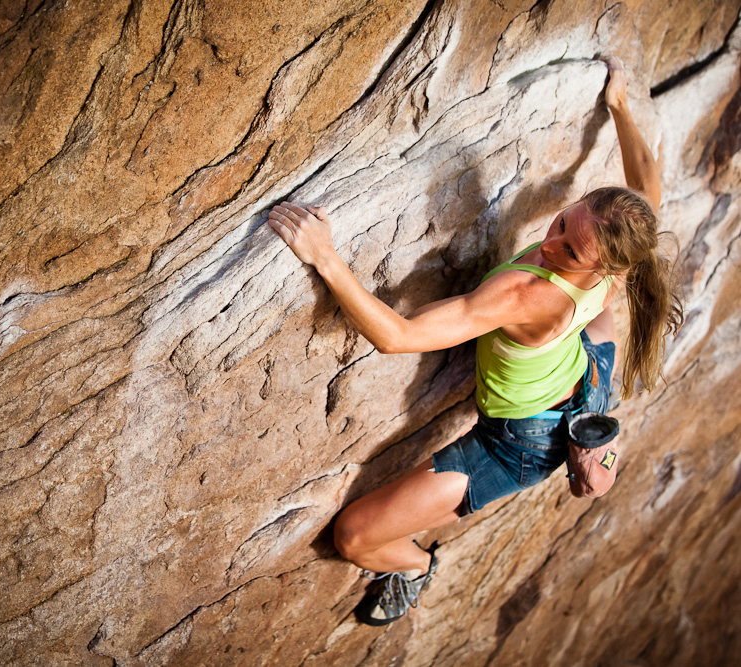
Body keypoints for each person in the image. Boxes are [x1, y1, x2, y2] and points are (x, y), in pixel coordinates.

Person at [265, 56, 683, 625]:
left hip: (521, 442)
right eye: (563, 222)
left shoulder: (524, 293)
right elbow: (646, 187)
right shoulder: (621, 257)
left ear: (601, 265)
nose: (550, 244)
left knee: (355, 535)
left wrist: (326, 257)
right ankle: (594, 418)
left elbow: (398, 336)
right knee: (595, 330)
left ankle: (413, 569)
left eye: (570, 251)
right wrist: (620, 106)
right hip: (585, 372)